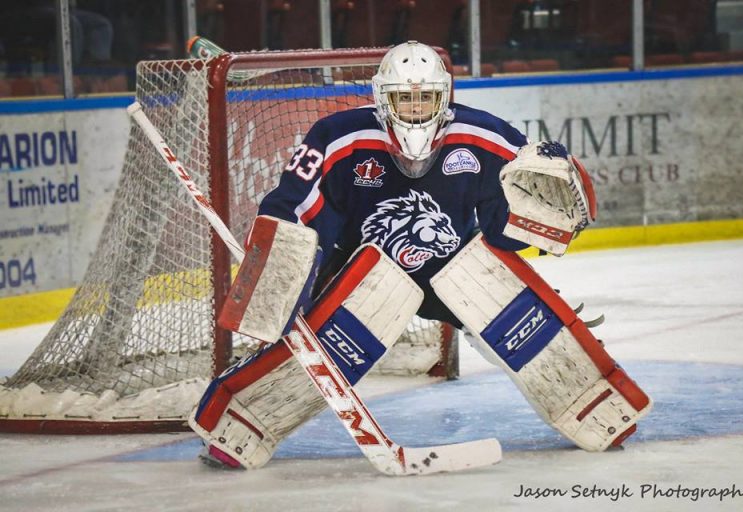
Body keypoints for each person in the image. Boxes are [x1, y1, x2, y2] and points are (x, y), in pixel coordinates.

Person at [188, 41, 651, 470]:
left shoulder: (481, 133)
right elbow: (291, 207)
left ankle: (594, 404)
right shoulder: (337, 136)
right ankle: (240, 423)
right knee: (336, 345)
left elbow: (512, 211)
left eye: (426, 98)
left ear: (444, 98)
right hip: (361, 271)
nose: (415, 109)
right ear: (382, 99)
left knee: (512, 320)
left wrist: (551, 190)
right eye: (405, 99)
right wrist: (288, 271)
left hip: (453, 267)